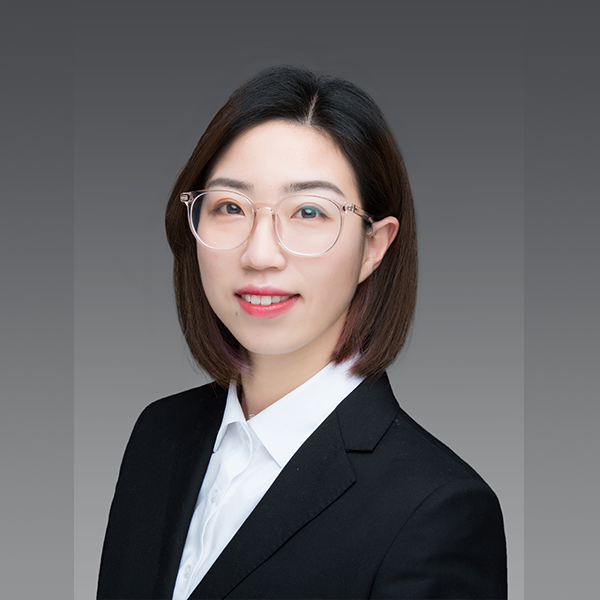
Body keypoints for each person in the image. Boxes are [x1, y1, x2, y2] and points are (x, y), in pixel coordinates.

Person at [97, 66, 507, 599]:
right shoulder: (159, 435)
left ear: (374, 246)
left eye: (309, 211)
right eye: (230, 207)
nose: (260, 254)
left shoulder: (437, 510)